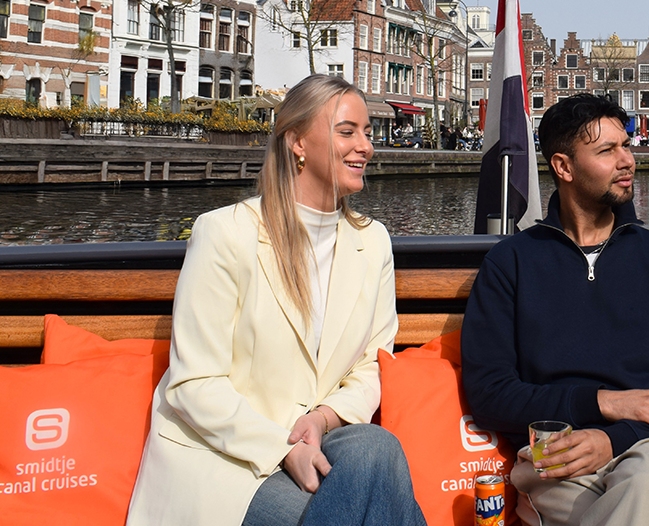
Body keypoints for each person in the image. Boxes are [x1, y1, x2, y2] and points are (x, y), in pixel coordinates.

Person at [126, 74, 426, 526]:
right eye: (347, 131)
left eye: (367, 132)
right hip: (226, 458)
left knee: (377, 447)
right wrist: (282, 447)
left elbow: (371, 363)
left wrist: (323, 419)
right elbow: (194, 383)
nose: (365, 145)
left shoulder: (374, 242)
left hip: (320, 439)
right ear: (297, 142)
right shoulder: (225, 233)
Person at [461, 93, 649, 526]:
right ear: (563, 167)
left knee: (647, 486)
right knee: (645, 507)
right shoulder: (512, 264)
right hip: (561, 451)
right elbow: (489, 394)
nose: (628, 160)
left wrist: (613, 438)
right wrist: (601, 404)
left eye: (626, 145)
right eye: (607, 151)